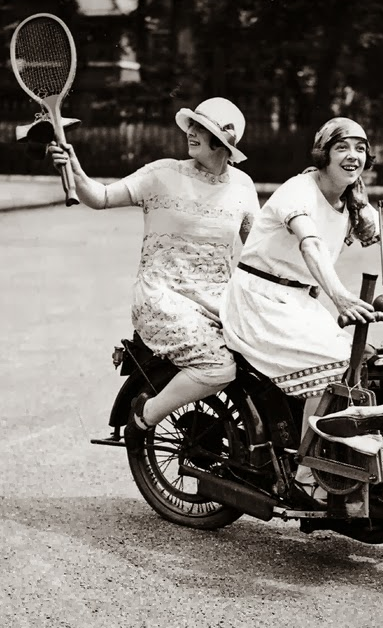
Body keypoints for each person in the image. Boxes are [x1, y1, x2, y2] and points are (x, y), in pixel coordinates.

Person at [219, 116, 383, 505]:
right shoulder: (299, 191)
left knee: (367, 364)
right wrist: (340, 297)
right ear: (323, 154)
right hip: (259, 299)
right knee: (334, 365)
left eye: (360, 148)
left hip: (297, 302)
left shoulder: (353, 201)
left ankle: (347, 465)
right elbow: (310, 244)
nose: (353, 155)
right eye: (342, 147)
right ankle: (306, 476)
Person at [48, 97, 259, 432]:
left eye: (201, 128)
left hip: (219, 302)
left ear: (222, 142)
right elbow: (102, 197)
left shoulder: (243, 186)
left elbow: (258, 249)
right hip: (163, 298)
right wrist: (74, 167)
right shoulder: (162, 174)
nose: (190, 132)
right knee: (218, 368)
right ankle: (144, 414)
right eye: (192, 124)